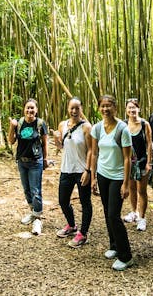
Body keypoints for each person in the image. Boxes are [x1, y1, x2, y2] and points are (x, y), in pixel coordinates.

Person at [90, 95, 134, 271]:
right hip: (102, 174)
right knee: (107, 211)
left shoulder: (122, 129)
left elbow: (127, 158)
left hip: (117, 177)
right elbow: (94, 153)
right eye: (102, 106)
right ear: (99, 108)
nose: (105, 109)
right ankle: (114, 246)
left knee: (114, 215)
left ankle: (126, 256)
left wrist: (126, 183)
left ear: (115, 107)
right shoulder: (97, 128)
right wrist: (93, 177)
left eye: (109, 106)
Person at [52, 97, 93, 247]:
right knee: (63, 200)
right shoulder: (63, 125)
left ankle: (83, 233)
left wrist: (88, 171)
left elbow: (91, 151)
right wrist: (56, 139)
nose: (74, 111)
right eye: (72, 108)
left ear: (81, 109)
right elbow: (60, 146)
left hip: (81, 170)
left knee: (85, 202)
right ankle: (71, 225)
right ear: (68, 109)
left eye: (77, 108)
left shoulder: (86, 127)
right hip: (66, 169)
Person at [8, 98, 49, 235]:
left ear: (36, 110)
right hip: (22, 161)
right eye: (28, 108)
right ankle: (33, 212)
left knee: (36, 190)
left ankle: (37, 219)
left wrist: (46, 159)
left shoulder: (40, 123)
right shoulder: (20, 123)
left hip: (35, 161)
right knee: (27, 190)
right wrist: (11, 127)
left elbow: (45, 142)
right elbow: (12, 141)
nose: (30, 110)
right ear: (24, 109)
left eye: (32, 108)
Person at [121, 98, 152, 231]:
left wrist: (149, 162)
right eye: (129, 108)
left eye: (134, 107)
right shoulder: (123, 124)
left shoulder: (145, 124)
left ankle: (142, 218)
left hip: (142, 162)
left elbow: (150, 144)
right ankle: (133, 212)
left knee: (142, 191)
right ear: (126, 110)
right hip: (129, 162)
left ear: (138, 109)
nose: (132, 110)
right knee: (131, 188)